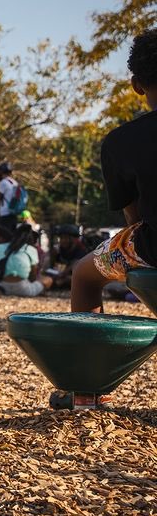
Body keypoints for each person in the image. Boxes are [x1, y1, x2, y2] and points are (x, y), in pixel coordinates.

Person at [71, 28, 157, 313]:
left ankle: (89, 357)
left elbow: (133, 219)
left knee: (83, 275)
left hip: (153, 248)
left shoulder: (121, 141)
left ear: (136, 85)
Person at [0, 224, 51, 297]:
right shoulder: (31, 249)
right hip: (23, 289)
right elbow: (32, 277)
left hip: (2, 286)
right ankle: (39, 291)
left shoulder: (0, 247)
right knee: (48, 279)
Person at [46, 225, 88, 290]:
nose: (63, 241)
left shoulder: (81, 250)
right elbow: (53, 266)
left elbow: (73, 265)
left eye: (66, 238)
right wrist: (52, 256)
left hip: (74, 277)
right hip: (61, 275)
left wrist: (61, 275)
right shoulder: (60, 249)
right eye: (61, 238)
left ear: (74, 239)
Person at [0, 162, 23, 235]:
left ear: (2, 172)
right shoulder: (14, 182)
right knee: (11, 236)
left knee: (4, 237)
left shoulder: (3, 182)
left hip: (5, 215)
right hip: (13, 214)